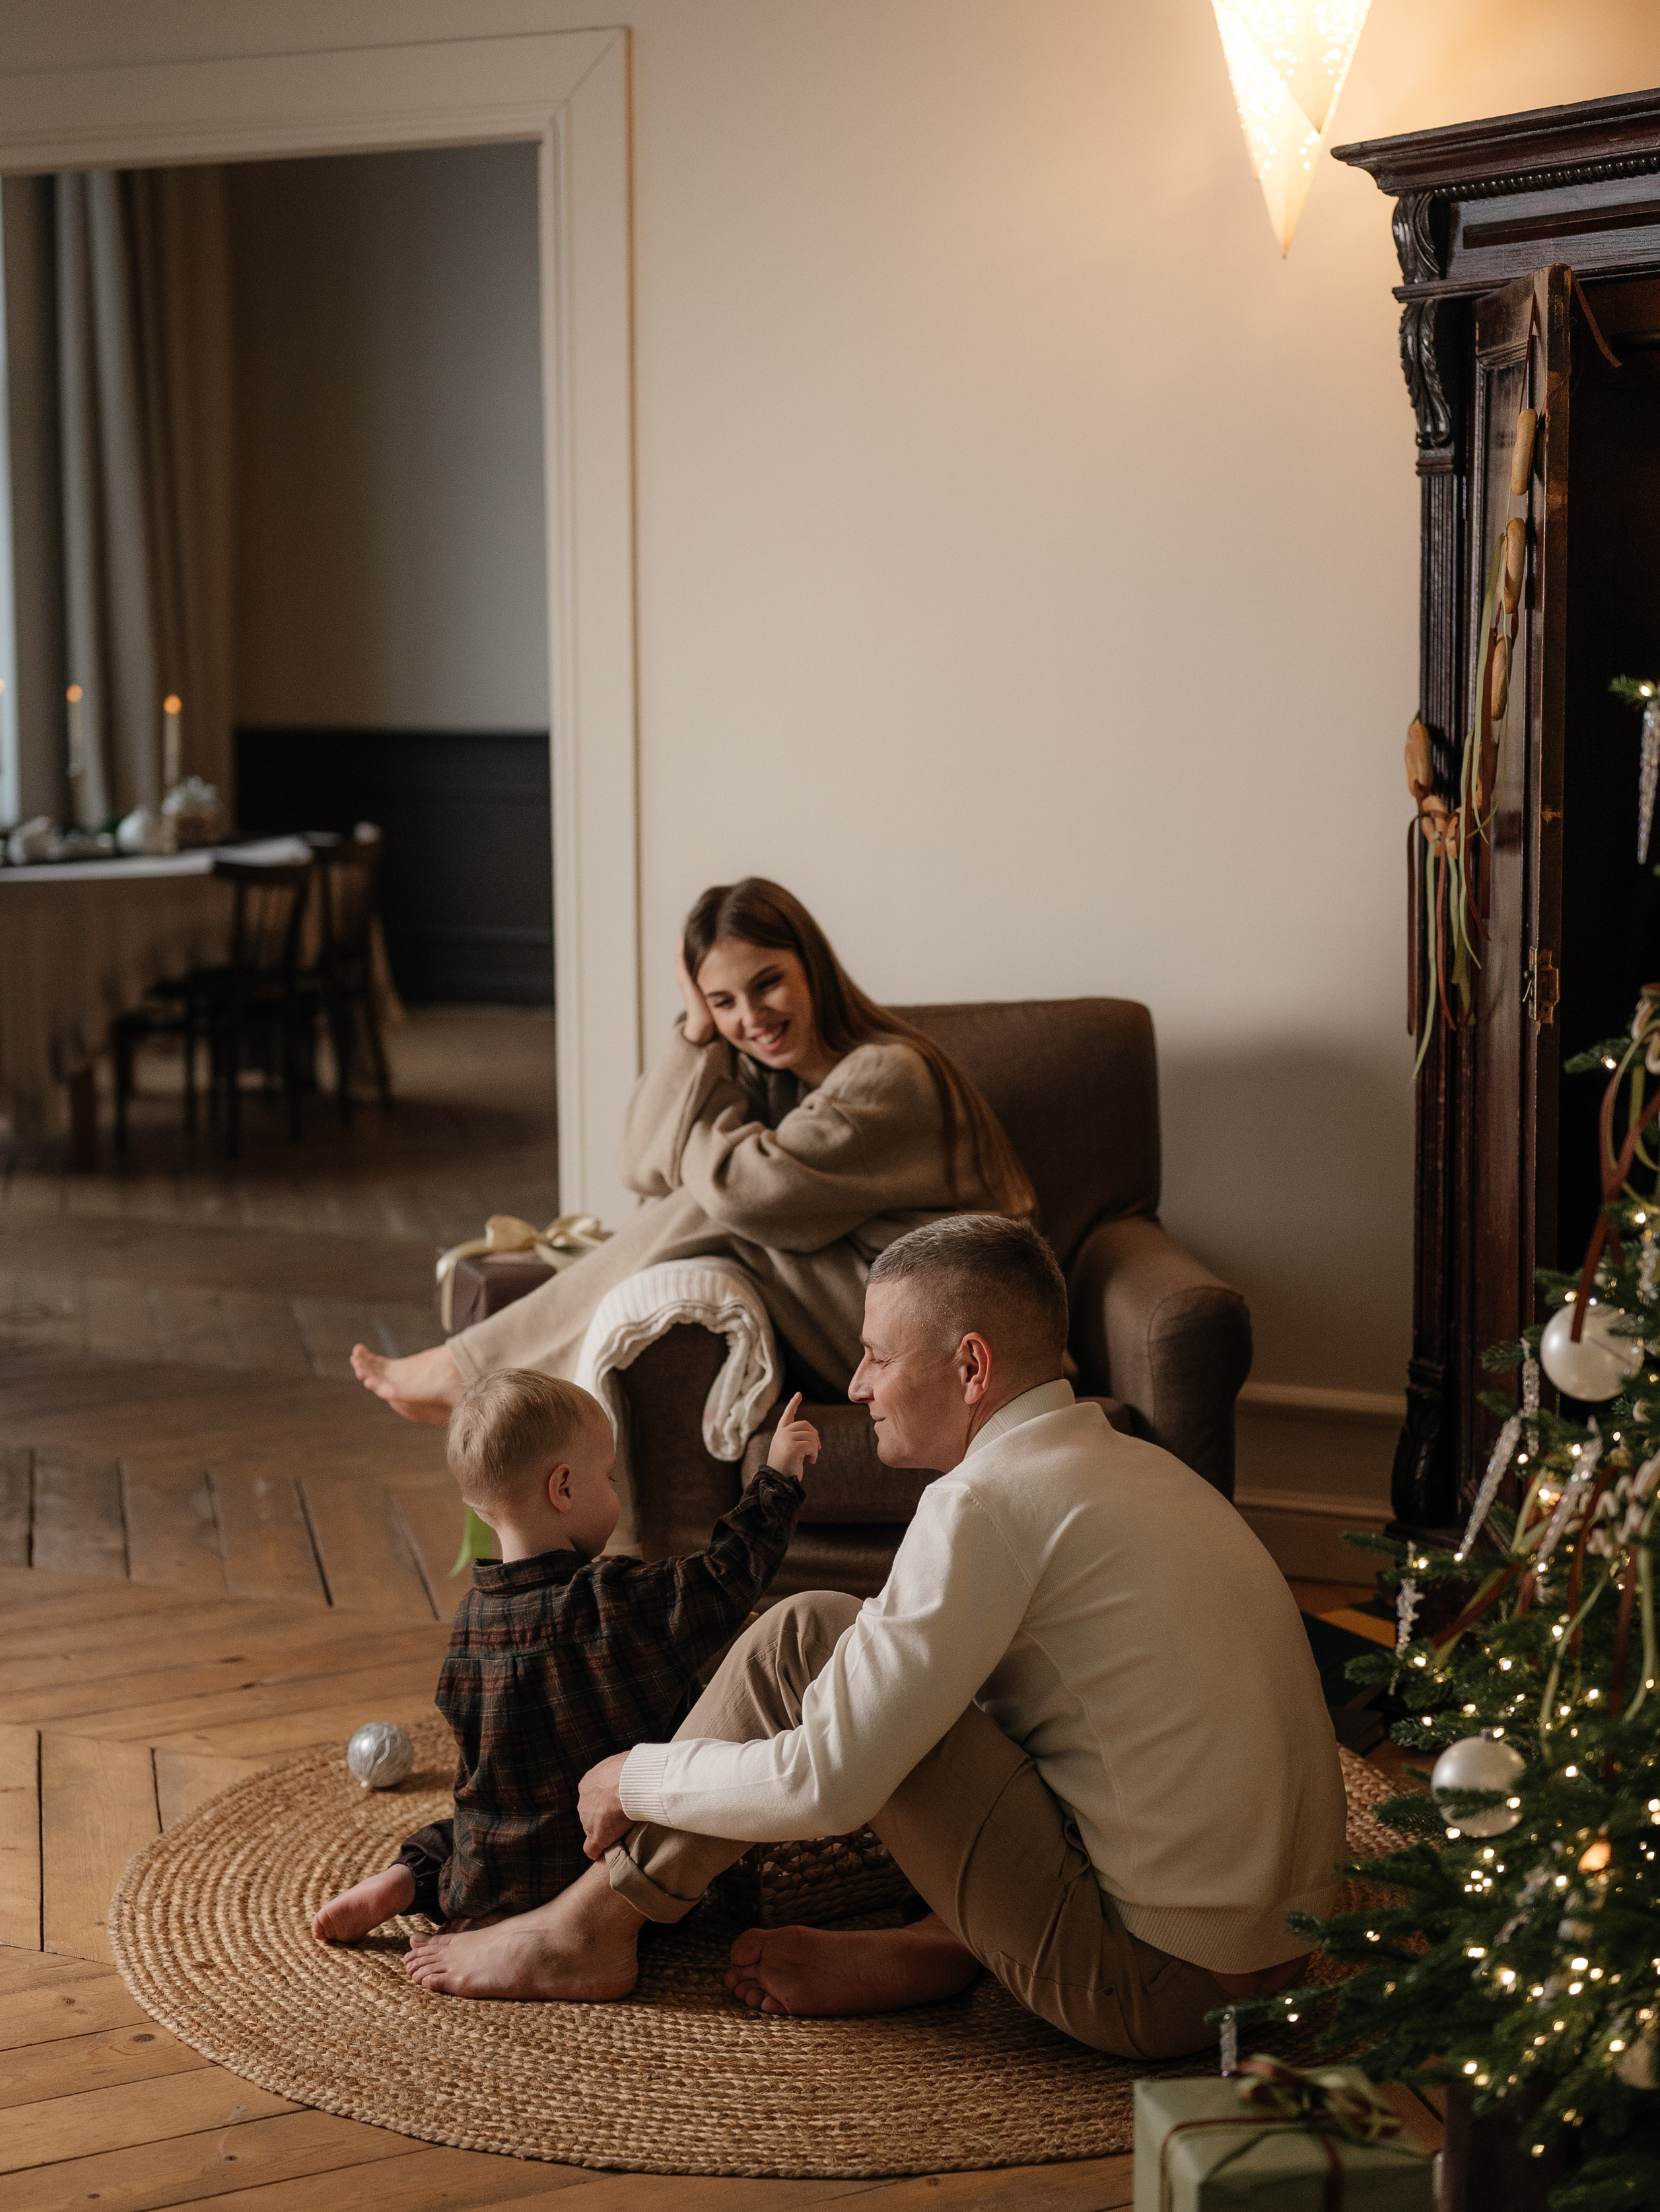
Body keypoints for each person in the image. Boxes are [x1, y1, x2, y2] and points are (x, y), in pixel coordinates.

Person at [397, 1213, 1347, 2061]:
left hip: (1155, 1988)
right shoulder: (1134, 1466)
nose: (855, 1387)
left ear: (971, 1367)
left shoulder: (985, 1502)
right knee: (880, 1661)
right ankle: (941, 1941)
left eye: (877, 1358)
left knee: (807, 1638)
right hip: (1276, 1956)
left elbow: (828, 1784)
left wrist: (632, 1775)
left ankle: (585, 1928)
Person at [349, 877, 1034, 1422]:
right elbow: (640, 1164)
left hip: (951, 1329)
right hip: (875, 1306)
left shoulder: (889, 1073)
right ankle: (506, 1388)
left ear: (814, 966)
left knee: (712, 1204)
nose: (752, 1018)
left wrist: (713, 1115)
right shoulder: (773, 1078)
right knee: (695, 1199)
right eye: (723, 1001)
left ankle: (477, 1373)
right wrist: (696, 1032)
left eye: (767, 982)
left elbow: (742, 1192)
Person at [312, 1367, 819, 1948]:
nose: (614, 1490)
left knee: (453, 1835)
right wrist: (777, 1478)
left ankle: (406, 1881)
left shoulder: (469, 1623)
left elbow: (475, 1768)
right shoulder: (617, 1599)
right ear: (564, 1488)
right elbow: (726, 1574)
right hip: (603, 1865)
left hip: (493, 1877)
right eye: (608, 1477)